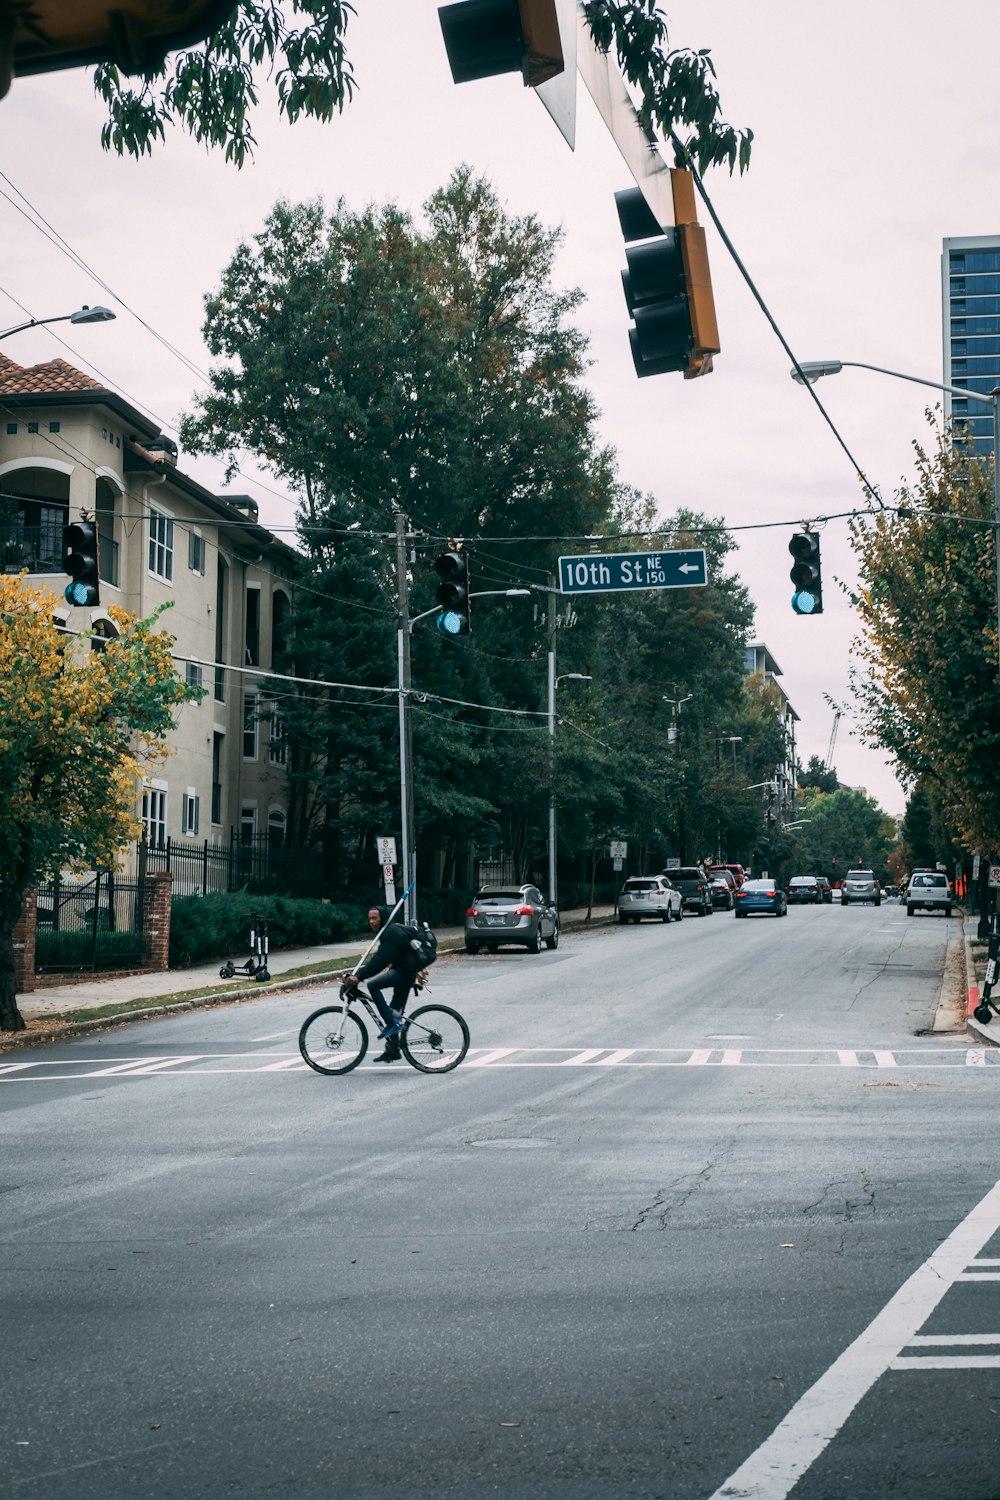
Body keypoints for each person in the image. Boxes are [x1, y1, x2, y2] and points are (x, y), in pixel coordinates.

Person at [344, 906, 421, 1064]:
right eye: (370, 918)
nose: (371, 922)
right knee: (394, 1012)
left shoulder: (391, 933)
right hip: (405, 970)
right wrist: (357, 974)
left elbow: (380, 960)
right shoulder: (387, 932)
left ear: (383, 918)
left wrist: (359, 976)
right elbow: (380, 958)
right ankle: (392, 1050)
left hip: (404, 972)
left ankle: (392, 1024)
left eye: (375, 918)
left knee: (373, 985)